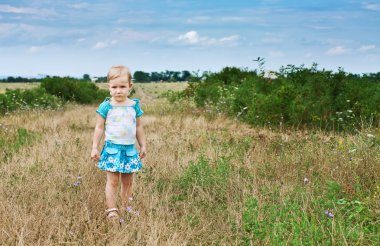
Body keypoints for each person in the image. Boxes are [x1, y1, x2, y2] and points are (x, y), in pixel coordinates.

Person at [91, 65, 146, 220]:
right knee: (113, 181)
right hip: (112, 149)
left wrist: (142, 145)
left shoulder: (134, 105)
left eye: (122, 86)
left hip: (129, 150)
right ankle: (112, 210)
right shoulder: (106, 106)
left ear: (130, 86)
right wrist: (95, 147)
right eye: (114, 87)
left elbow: (138, 126)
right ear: (109, 87)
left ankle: (127, 207)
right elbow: (99, 128)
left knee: (128, 183)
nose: (118, 91)